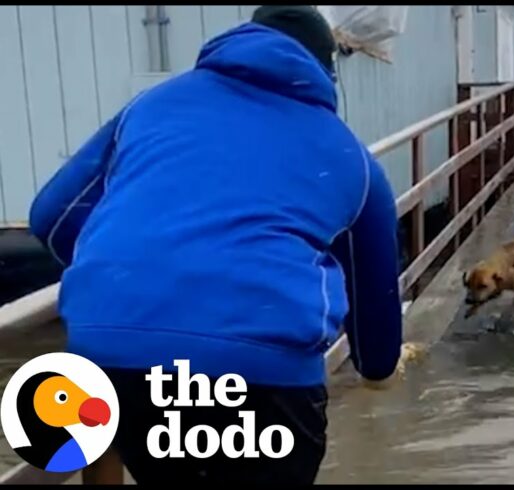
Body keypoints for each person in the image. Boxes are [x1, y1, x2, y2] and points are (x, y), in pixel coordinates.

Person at [28, 5, 403, 484]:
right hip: (264, 385)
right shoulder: (350, 155)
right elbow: (376, 329)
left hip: (117, 368)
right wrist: (374, 368)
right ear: (326, 70)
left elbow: (52, 216)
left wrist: (127, 271)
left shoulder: (151, 106)